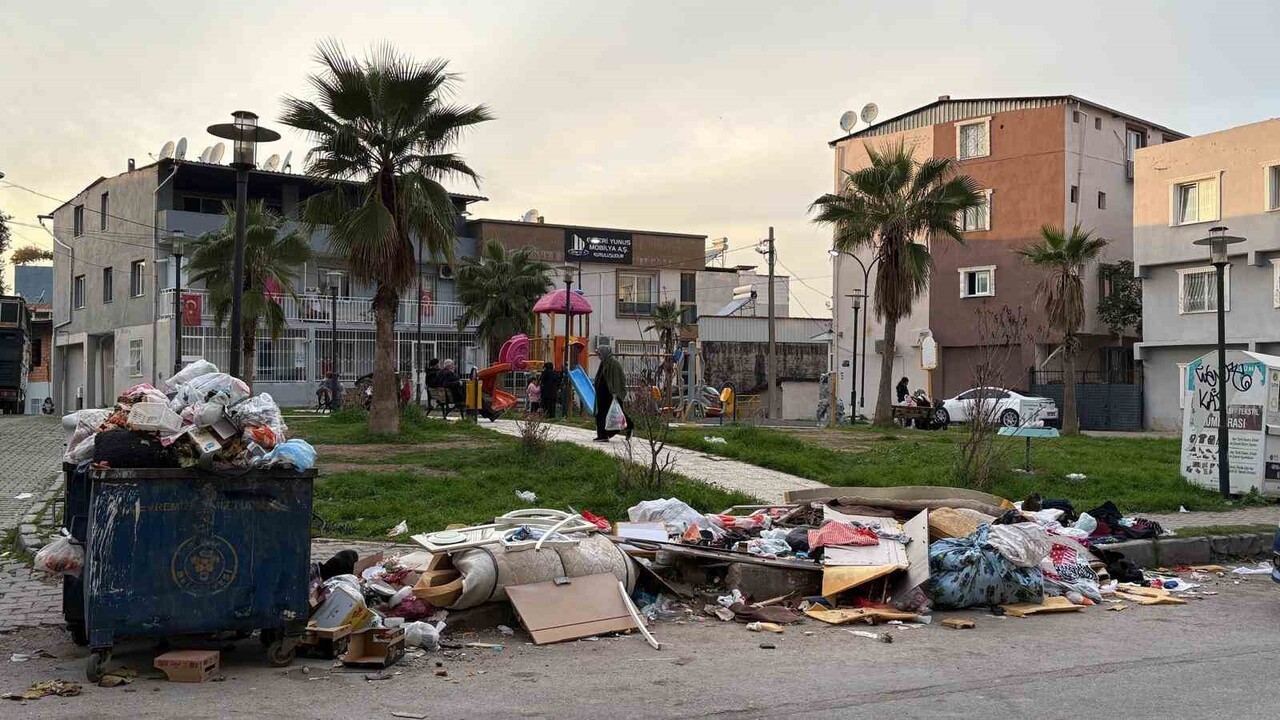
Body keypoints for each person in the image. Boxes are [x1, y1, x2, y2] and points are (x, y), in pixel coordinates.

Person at [593, 346, 631, 442]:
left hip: (611, 395)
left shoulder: (614, 364)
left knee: (617, 414)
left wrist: (616, 393)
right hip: (602, 395)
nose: (599, 357)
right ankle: (602, 435)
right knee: (601, 414)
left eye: (600, 354)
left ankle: (629, 426)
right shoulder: (604, 363)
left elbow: (618, 380)